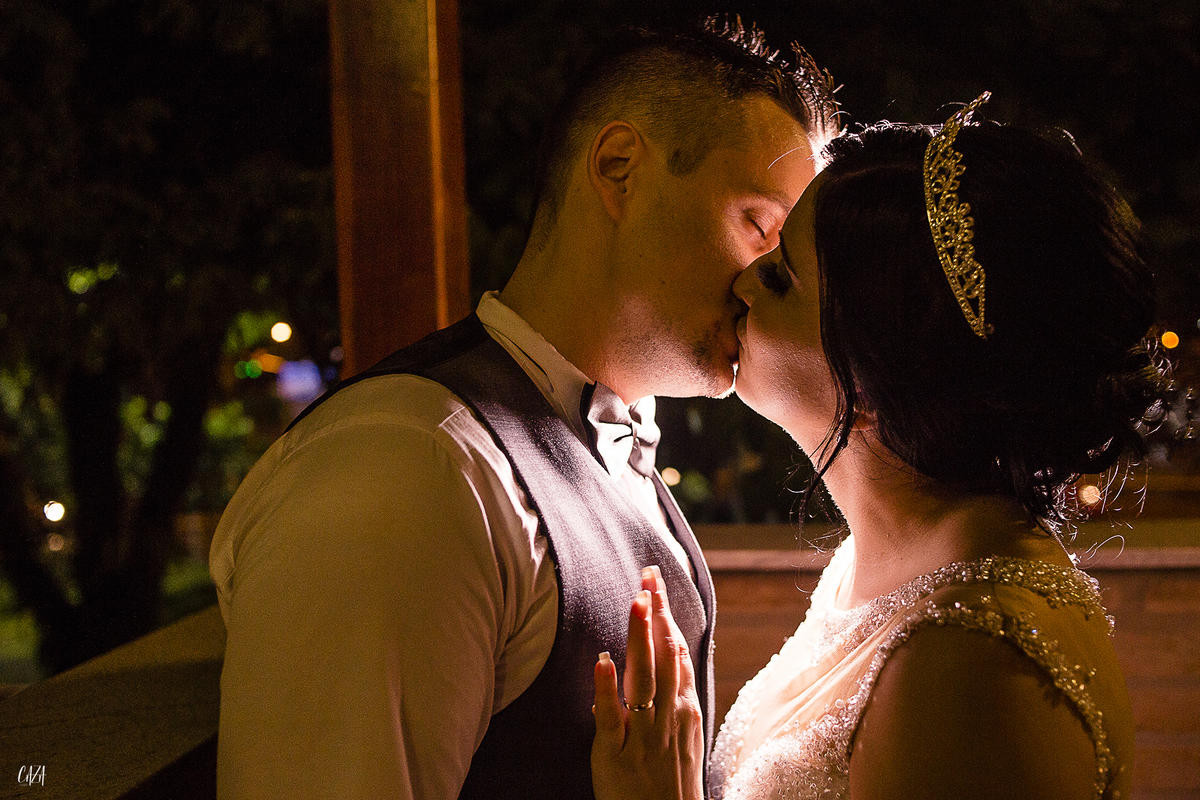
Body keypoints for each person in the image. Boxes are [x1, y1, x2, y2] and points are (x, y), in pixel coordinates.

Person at [209, 18, 839, 800]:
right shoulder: (409, 469)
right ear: (618, 169)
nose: (762, 281)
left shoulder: (604, 452)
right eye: (758, 226)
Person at [593, 94, 1167, 800]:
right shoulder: (877, 569)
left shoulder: (972, 666)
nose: (741, 283)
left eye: (780, 278)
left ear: (877, 371)